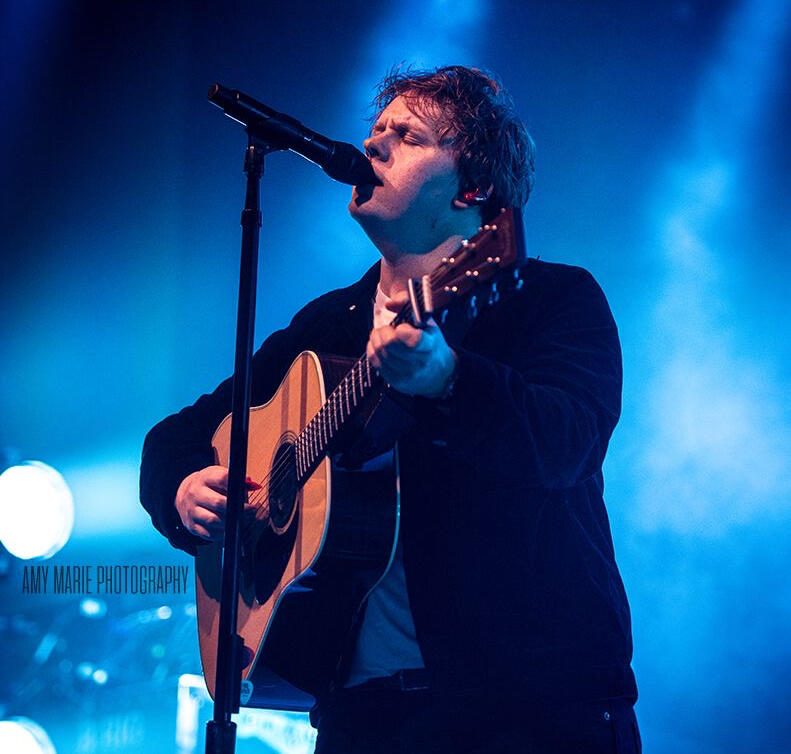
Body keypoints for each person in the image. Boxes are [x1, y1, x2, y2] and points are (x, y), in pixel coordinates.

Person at [140, 65, 640, 753]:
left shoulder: (547, 298)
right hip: (359, 719)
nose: (372, 145)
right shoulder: (328, 326)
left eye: (408, 137)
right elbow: (178, 435)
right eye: (376, 130)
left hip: (526, 710)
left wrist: (450, 381)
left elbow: (567, 445)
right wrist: (182, 491)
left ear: (471, 189)